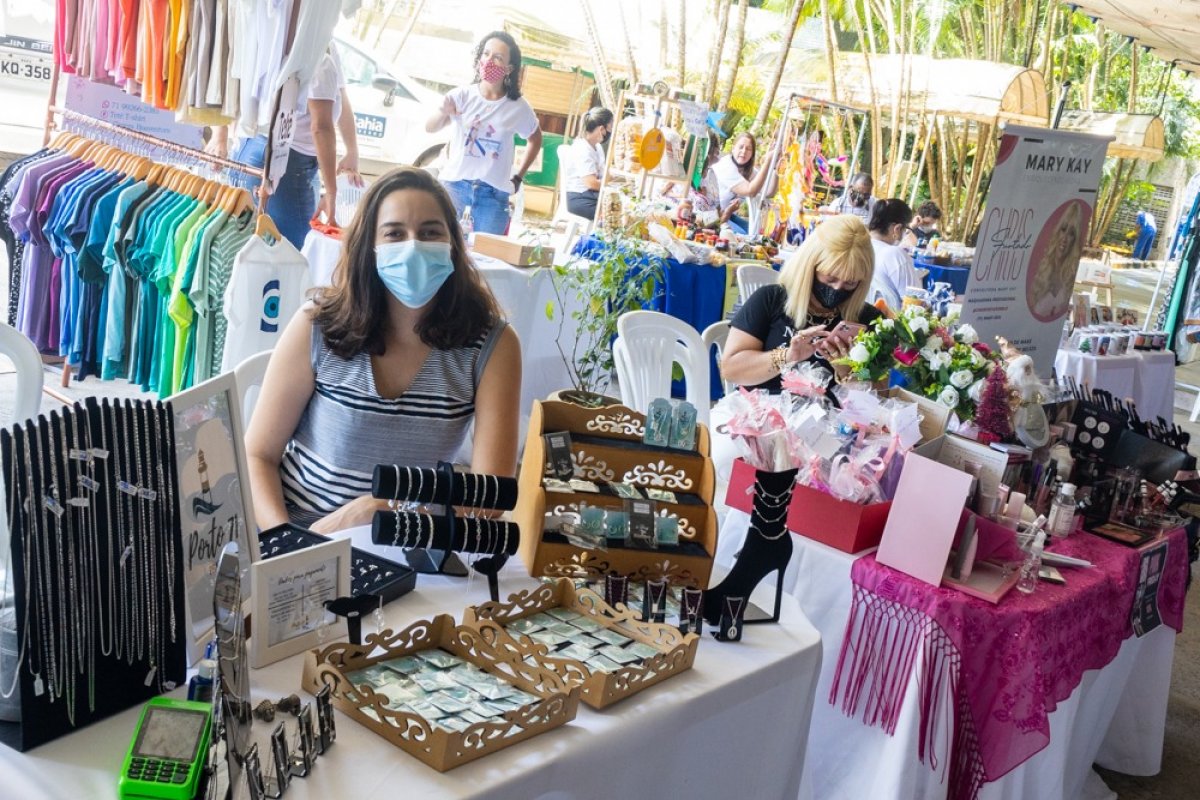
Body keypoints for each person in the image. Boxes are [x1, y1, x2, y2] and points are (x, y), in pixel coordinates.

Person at [244, 167, 522, 532]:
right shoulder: (318, 325)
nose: (413, 246)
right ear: (369, 248)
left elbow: (489, 498)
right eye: (394, 234)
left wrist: (395, 515)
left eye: (430, 232)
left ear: (453, 244)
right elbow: (257, 455)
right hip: (299, 531)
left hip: (413, 544)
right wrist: (296, 545)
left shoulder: (493, 346)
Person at [210, 47, 364, 249]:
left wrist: (352, 150)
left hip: (256, 150)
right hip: (287, 162)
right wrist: (332, 192)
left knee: (249, 251)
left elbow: (339, 97)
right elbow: (321, 127)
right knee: (293, 257)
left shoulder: (321, 46)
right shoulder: (318, 58)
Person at [721, 215, 881, 394]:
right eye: (830, 278)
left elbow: (880, 393)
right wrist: (788, 356)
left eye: (850, 283)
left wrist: (847, 370)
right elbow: (731, 369)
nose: (837, 288)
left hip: (831, 418)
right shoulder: (771, 299)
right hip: (762, 412)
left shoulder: (868, 320)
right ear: (809, 267)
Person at [427, 31, 543, 235]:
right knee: (443, 249)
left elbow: (535, 139)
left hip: (493, 195)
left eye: (498, 57)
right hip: (454, 188)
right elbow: (430, 127)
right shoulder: (461, 95)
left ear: (509, 68)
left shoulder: (518, 107)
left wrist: (518, 177)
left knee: (487, 260)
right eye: (486, 54)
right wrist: (443, 111)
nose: (489, 61)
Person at [707, 132, 778, 235]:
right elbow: (750, 191)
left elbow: (769, 192)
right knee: (743, 235)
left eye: (748, 149)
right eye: (741, 147)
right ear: (733, 148)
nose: (744, 151)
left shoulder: (748, 170)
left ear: (752, 153)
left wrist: (776, 168)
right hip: (714, 216)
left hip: (729, 215)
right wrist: (767, 161)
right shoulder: (725, 166)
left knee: (756, 233)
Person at [1029, 203, 1083, 321]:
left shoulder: (1070, 279)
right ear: (1057, 232)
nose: (1064, 238)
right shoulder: (1041, 271)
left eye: (1071, 234)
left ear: (1075, 240)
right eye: (1063, 230)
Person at [867, 199, 922, 311]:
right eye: (905, 229)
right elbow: (915, 304)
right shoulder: (894, 254)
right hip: (886, 324)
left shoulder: (859, 247)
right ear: (897, 229)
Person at [563, 106, 613, 221]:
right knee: (615, 216)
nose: (610, 131)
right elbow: (591, 183)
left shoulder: (597, 147)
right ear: (601, 129)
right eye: (610, 126)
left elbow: (604, 175)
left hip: (591, 195)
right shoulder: (583, 149)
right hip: (580, 199)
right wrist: (610, 186)